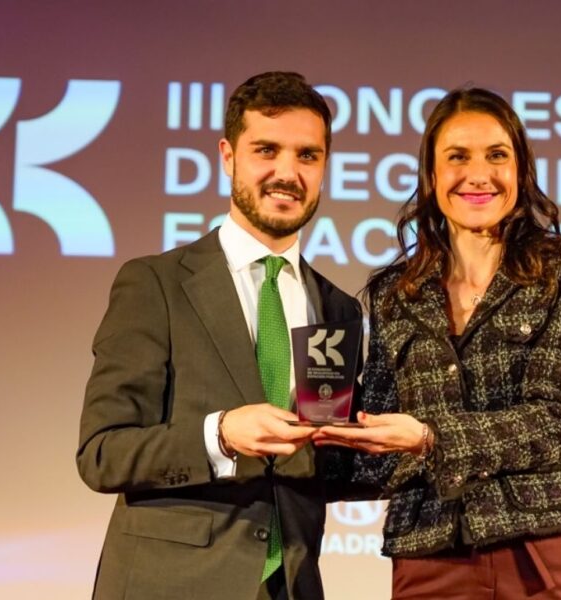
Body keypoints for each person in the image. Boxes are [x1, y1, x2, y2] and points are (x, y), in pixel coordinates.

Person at [77, 71, 362, 600]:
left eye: (307, 155)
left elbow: (325, 466)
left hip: (290, 585)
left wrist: (408, 439)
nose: (287, 173)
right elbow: (102, 453)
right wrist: (221, 435)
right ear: (228, 156)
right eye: (266, 150)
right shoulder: (156, 284)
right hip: (169, 586)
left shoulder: (338, 308)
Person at [314, 87, 561, 599]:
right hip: (428, 548)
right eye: (457, 157)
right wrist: (306, 437)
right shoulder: (395, 294)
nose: (478, 174)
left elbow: (558, 420)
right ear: (431, 175)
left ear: (520, 170)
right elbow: (378, 445)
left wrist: (430, 438)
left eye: (496, 155)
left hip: (541, 544)